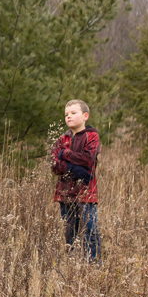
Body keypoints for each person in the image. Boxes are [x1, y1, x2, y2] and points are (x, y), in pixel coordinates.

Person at [50, 99, 101, 262]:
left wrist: (64, 155)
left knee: (90, 231)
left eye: (73, 113)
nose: (68, 117)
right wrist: (74, 169)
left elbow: (88, 158)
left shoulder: (91, 136)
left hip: (86, 193)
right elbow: (54, 165)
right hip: (65, 193)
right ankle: (72, 264)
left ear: (85, 116)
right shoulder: (62, 139)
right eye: (66, 114)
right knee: (70, 232)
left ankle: (93, 264)